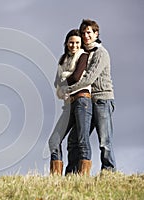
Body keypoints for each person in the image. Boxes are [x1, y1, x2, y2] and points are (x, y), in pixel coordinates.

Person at [64, 19, 116, 175]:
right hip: (86, 101)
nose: (86, 36)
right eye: (84, 33)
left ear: (96, 34)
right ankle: (72, 173)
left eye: (89, 32)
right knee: (75, 139)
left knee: (104, 140)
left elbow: (89, 78)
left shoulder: (101, 53)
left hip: (102, 100)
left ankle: (109, 171)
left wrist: (69, 89)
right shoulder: (82, 54)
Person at [48, 29, 92, 176]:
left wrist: (64, 79)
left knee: (82, 139)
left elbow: (76, 77)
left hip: (82, 100)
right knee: (54, 140)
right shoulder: (62, 59)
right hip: (68, 104)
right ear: (66, 43)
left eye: (77, 43)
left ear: (81, 44)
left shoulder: (83, 56)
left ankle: (83, 176)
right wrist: (65, 79)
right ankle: (55, 177)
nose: (74, 45)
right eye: (71, 42)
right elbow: (56, 82)